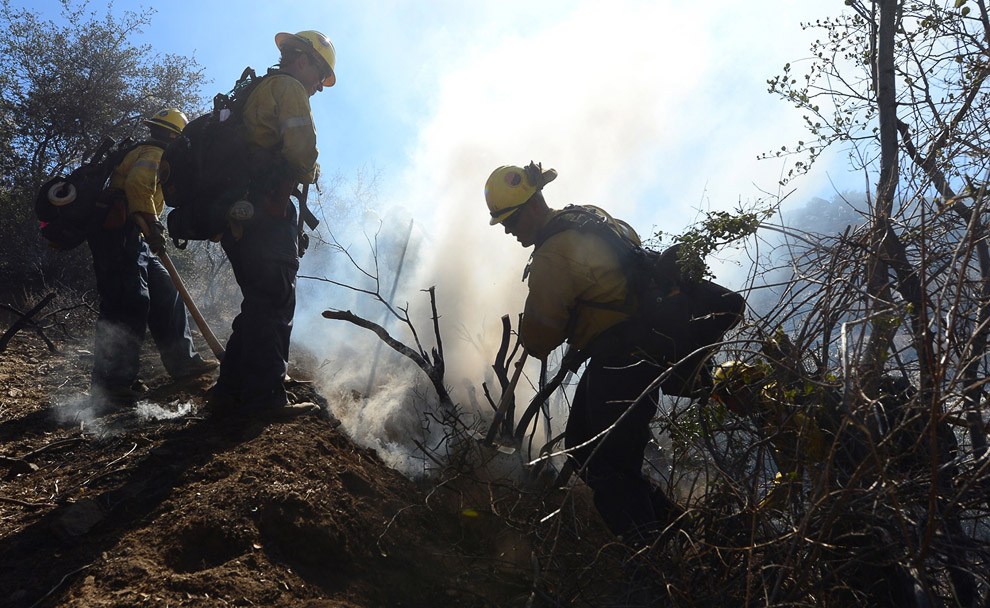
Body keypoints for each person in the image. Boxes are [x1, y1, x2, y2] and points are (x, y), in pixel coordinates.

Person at [485, 161, 683, 543]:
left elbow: (540, 341)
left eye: (510, 220)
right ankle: (678, 532)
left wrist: (540, 325)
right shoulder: (587, 217)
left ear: (530, 207)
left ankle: (654, 566)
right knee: (582, 448)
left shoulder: (552, 255)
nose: (508, 231)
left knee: (609, 468)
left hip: (623, 359)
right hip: (636, 352)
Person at [207, 30, 336, 418]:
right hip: (267, 207)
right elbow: (301, 149)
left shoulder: (261, 88)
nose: (319, 86)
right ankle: (264, 399)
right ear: (304, 61)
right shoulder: (288, 87)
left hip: (241, 209)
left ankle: (230, 392)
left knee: (259, 301)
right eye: (321, 74)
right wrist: (283, 198)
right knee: (276, 301)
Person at [89, 108, 216, 403]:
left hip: (137, 236)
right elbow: (136, 186)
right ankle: (112, 383)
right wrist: (153, 223)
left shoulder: (154, 152)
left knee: (166, 292)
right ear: (174, 136)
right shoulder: (153, 152)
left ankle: (183, 362)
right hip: (120, 235)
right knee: (129, 300)